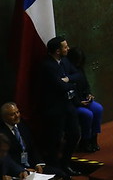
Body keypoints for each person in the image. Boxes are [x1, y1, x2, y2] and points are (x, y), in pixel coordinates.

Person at [39, 36, 81, 176]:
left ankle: (66, 163)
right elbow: (60, 86)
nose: (68, 49)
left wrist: (69, 80)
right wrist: (71, 85)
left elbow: (78, 75)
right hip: (55, 109)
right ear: (57, 51)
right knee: (55, 140)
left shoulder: (65, 61)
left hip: (68, 105)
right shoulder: (47, 66)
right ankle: (55, 169)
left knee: (74, 134)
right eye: (65, 47)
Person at [0, 102, 67, 179]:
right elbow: (6, 159)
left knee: (61, 174)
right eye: (12, 114)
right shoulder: (2, 133)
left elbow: (32, 146)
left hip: (32, 167)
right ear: (4, 117)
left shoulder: (22, 125)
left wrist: (38, 164)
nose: (17, 116)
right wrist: (22, 170)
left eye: (17, 112)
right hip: (16, 171)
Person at [66, 47, 103, 153]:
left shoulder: (80, 69)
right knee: (88, 114)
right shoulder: (67, 71)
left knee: (98, 109)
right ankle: (84, 141)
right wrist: (79, 102)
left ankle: (93, 139)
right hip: (73, 103)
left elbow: (86, 85)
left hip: (84, 100)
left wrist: (89, 94)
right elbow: (68, 91)